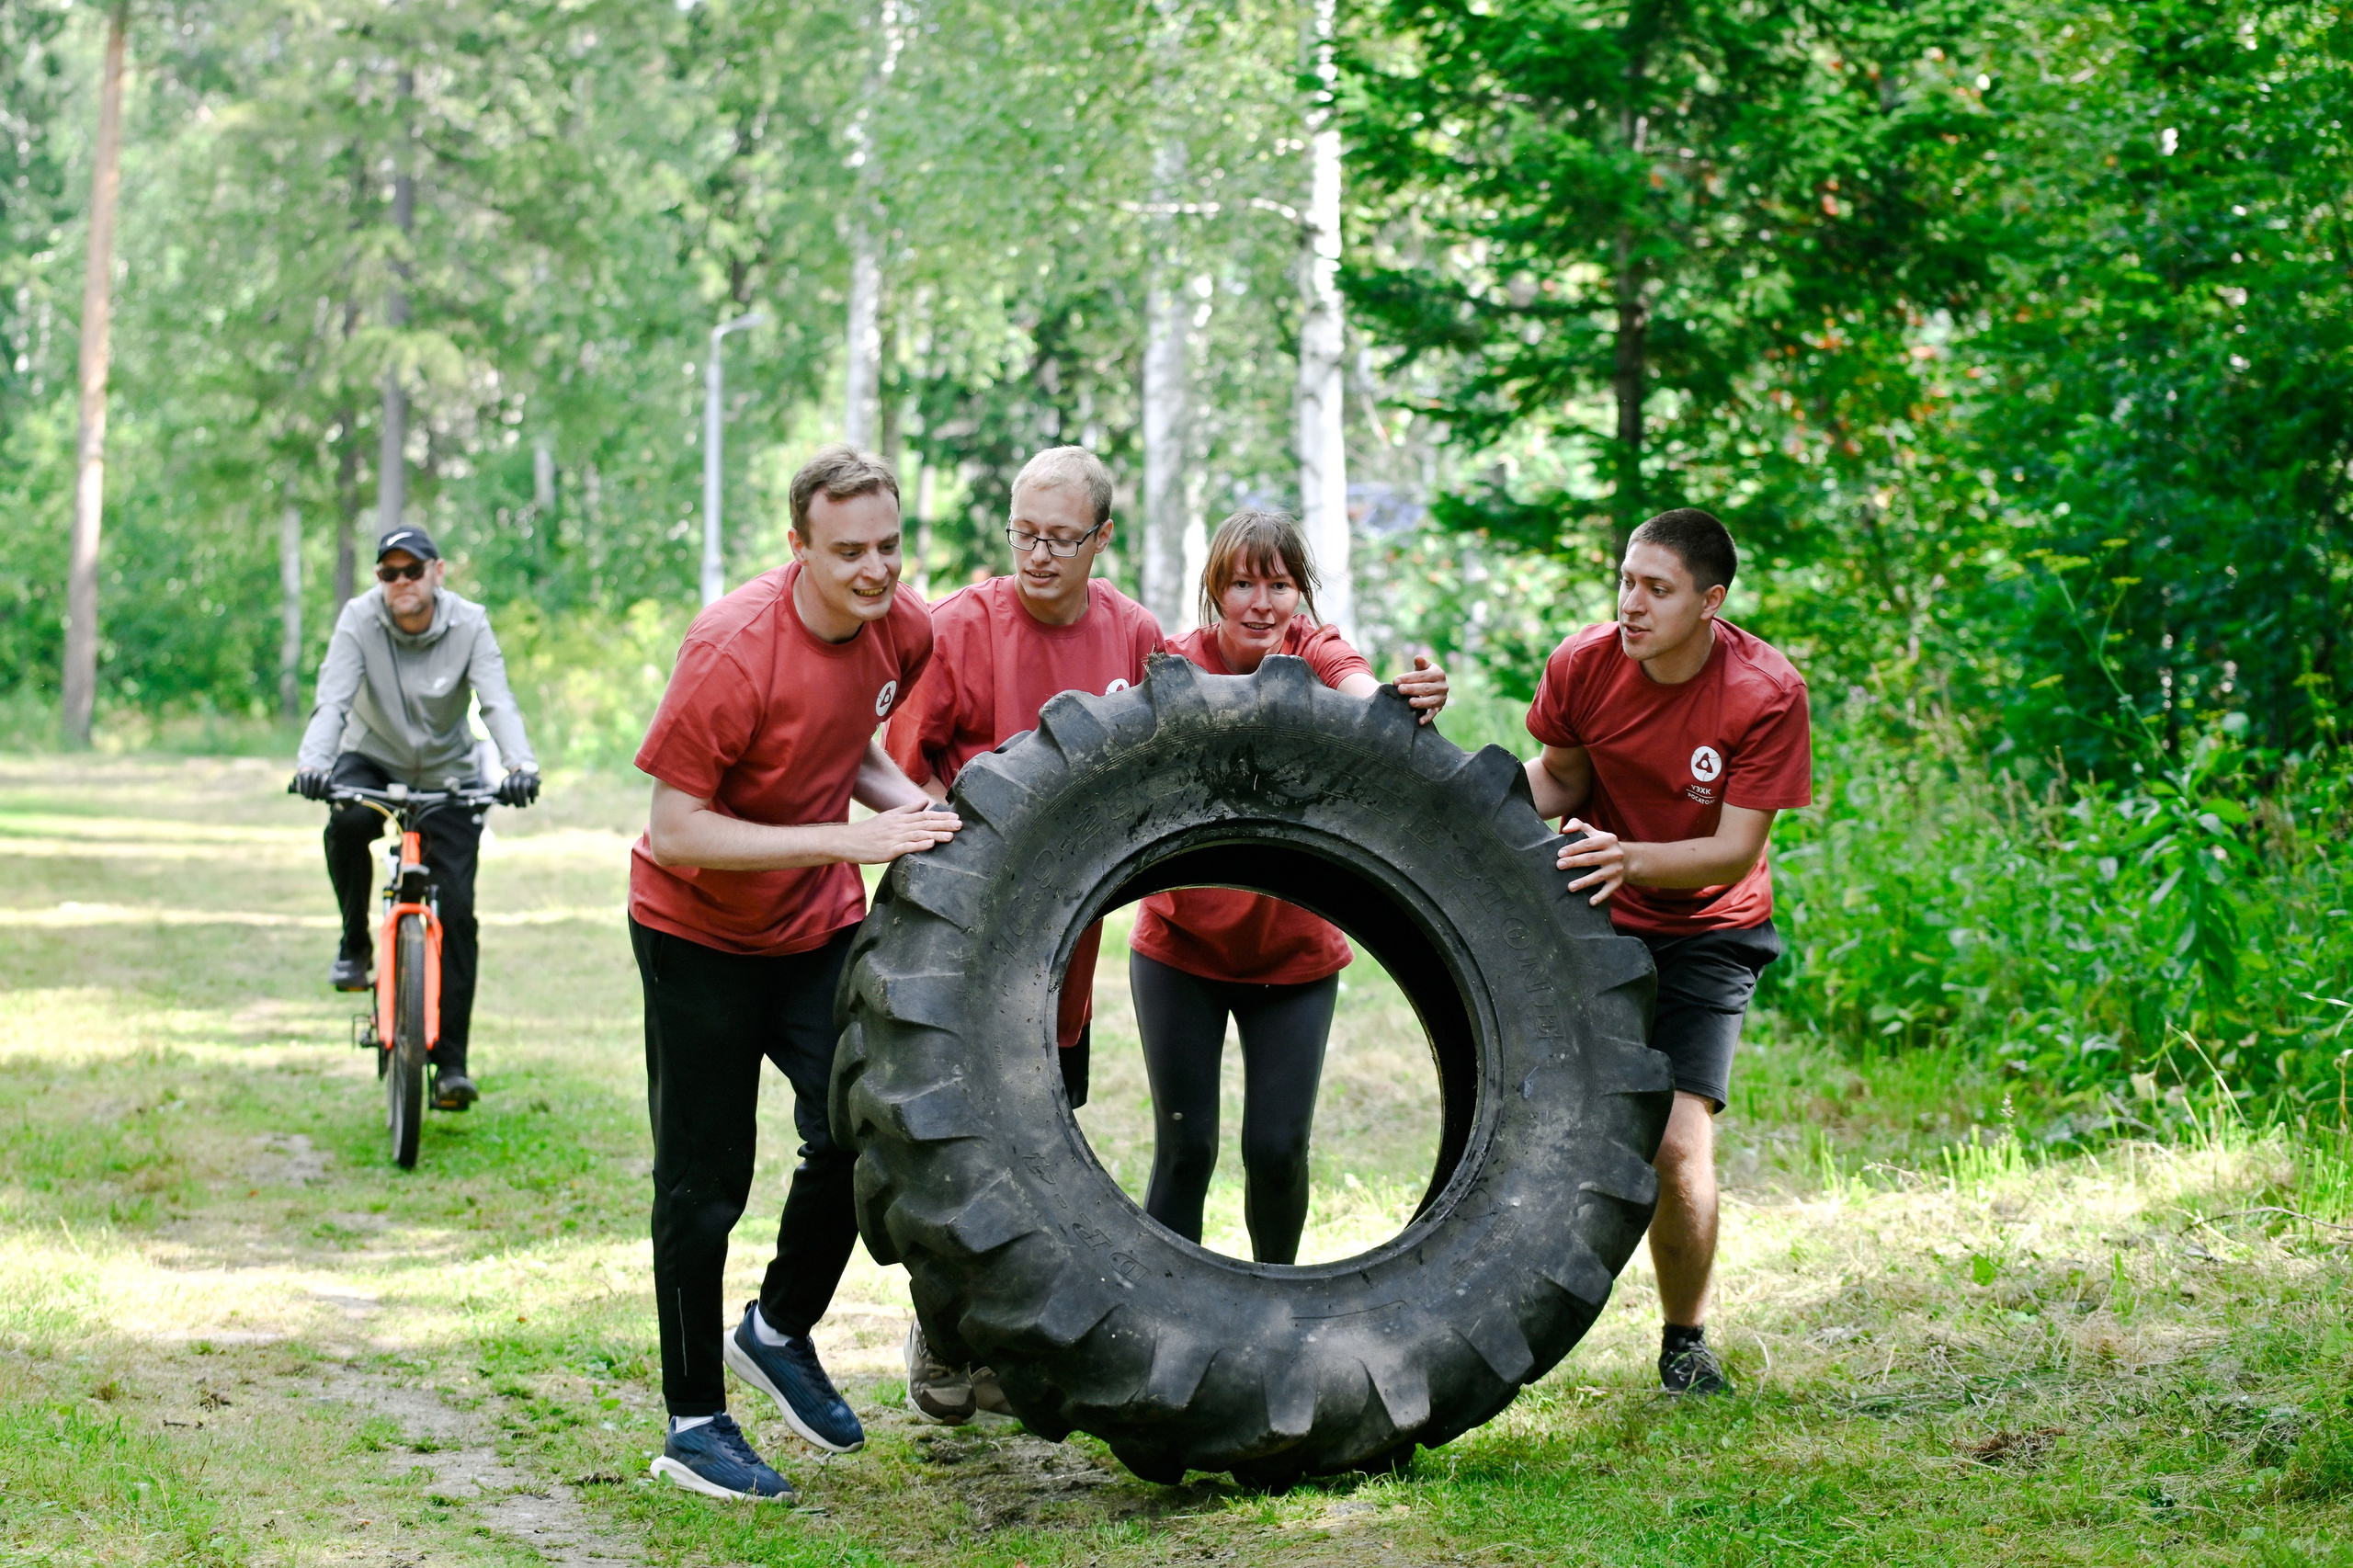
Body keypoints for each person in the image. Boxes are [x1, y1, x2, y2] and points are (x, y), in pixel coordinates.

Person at [628, 446, 961, 1504]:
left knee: (858, 1133)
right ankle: (692, 1422)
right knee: (703, 1179)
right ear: (798, 547)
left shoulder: (898, 622)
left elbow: (845, 740)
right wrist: (843, 842)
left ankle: (775, 1328)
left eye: (890, 546)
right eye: (849, 551)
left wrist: (904, 806)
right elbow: (675, 829)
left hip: (813, 929)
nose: (876, 571)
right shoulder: (732, 649)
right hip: (697, 936)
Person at [882, 445, 1162, 1425]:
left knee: (1042, 1144)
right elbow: (900, 775)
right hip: (957, 945)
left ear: (1101, 539)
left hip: (1066, 949)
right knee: (953, 1147)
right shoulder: (959, 628)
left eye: (1060, 538)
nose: (1038, 555)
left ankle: (1005, 1345)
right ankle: (943, 1331)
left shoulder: (1133, 635)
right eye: (1023, 535)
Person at [1520, 507, 1813, 1397]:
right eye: (1624, 581)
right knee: (1546, 1119)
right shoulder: (1582, 662)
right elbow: (1562, 778)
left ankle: (1683, 1342)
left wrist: (1628, 855)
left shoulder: (1765, 691)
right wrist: (1467, 794)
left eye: (1656, 588)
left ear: (1710, 602)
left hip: (1709, 927)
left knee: (1677, 1146)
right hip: (1598, 906)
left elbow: (1731, 849)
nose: (1631, 604)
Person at [1129, 508, 1449, 1266]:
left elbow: (1361, 692)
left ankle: (1278, 1303)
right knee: (1185, 1148)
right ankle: (1169, 1315)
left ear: (1300, 593)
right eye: (1242, 584)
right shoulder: (1177, 662)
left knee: (1276, 1149)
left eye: (1278, 584)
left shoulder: (1316, 648)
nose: (1261, 603)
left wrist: (1404, 702)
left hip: (1294, 954)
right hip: (1182, 947)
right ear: (1215, 589)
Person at [290, 525, 540, 1112]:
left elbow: (497, 701)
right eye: (388, 572)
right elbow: (333, 699)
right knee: (348, 820)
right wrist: (313, 765)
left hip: (450, 772)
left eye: (412, 570)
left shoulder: (470, 622)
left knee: (456, 910)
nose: (400, 582)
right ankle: (355, 943)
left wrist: (520, 765)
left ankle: (451, 1064)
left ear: (437, 572)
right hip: (371, 756)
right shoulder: (359, 619)